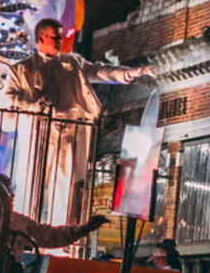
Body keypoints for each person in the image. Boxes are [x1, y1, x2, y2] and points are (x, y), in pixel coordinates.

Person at [10, 18, 155, 223]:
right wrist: (33, 106)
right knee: (31, 179)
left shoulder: (72, 62)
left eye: (61, 36)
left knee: (66, 182)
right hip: (39, 129)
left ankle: (62, 232)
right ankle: (23, 230)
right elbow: (10, 97)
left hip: (70, 127)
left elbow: (99, 71)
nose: (60, 40)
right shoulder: (22, 69)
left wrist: (130, 72)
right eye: (55, 37)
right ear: (41, 37)